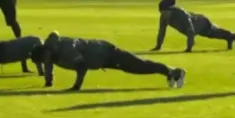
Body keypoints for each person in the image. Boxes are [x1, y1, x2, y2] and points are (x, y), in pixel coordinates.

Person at [30, 31, 187, 91]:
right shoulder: (50, 52)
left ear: (46, 52)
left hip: (106, 53)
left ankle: (175, 72)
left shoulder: (66, 48)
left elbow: (82, 66)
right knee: (139, 67)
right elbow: (49, 67)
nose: (45, 63)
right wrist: (48, 82)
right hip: (102, 60)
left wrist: (76, 86)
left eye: (43, 60)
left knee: (140, 66)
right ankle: (170, 73)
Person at [150, 0, 235, 52]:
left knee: (214, 33)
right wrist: (158, 46)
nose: (162, 15)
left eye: (164, 12)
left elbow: (190, 30)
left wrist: (189, 48)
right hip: (196, 26)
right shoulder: (164, 18)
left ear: (170, 10)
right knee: (215, 34)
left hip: (201, 23)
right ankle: (231, 38)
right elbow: (161, 31)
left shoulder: (181, 14)